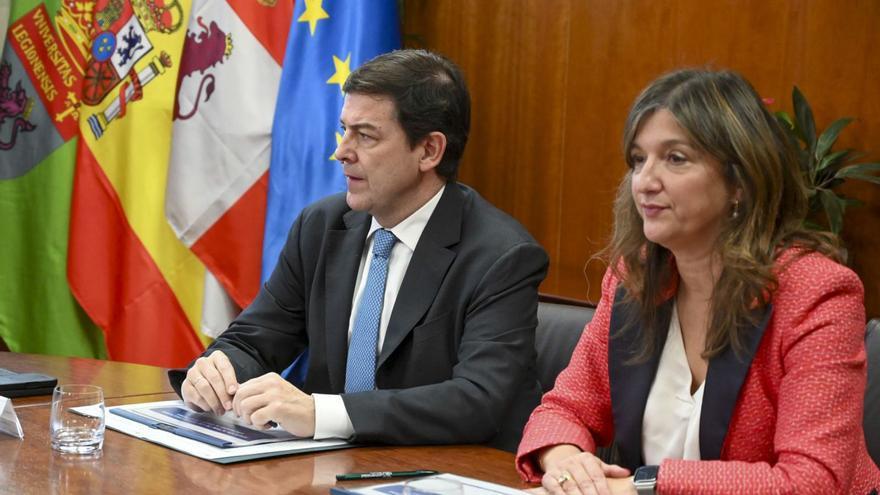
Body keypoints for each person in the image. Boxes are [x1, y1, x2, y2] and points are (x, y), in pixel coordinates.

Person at [516, 69, 880, 494]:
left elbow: (810, 482)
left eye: (675, 158)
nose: (645, 182)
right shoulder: (635, 277)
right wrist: (567, 463)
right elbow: (565, 409)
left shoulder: (816, 293)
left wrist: (641, 487)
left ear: (740, 181)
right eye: (638, 159)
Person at [169, 49, 549, 452]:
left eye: (365, 136)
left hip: (442, 471)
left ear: (429, 151)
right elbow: (256, 339)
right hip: (324, 470)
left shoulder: (501, 256)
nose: (341, 151)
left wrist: (324, 413)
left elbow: (478, 399)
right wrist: (219, 370)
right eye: (344, 129)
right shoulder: (322, 226)